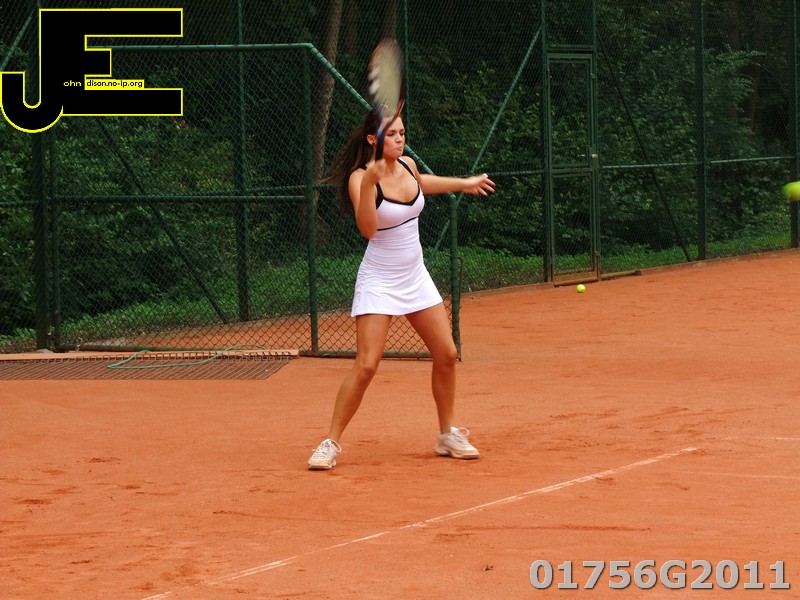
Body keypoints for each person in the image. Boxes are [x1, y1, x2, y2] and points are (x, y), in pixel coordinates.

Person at [308, 109, 495, 470]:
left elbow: (423, 183)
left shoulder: (408, 165)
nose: (399, 139)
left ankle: (447, 434)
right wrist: (368, 185)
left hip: (415, 276)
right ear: (372, 140)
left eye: (402, 133)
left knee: (446, 353)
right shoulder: (359, 178)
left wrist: (463, 183)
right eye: (392, 134)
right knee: (366, 365)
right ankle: (330, 442)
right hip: (379, 281)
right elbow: (368, 229)